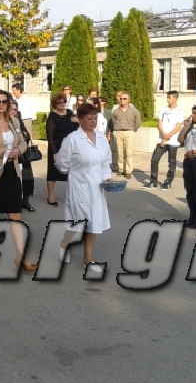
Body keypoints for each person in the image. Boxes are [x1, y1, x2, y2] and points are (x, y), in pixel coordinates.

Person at [0, 90, 36, 273]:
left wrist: (18, 150)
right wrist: (3, 151)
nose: (1, 104)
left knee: (16, 215)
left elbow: (23, 142)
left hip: (12, 172)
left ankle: (22, 257)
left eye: (5, 101)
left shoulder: (14, 122)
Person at [55, 104, 113, 273]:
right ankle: (64, 244)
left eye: (95, 118)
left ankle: (87, 260)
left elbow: (106, 161)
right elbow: (62, 164)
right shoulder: (72, 139)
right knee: (78, 223)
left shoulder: (101, 138)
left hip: (97, 188)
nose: (93, 122)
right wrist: (75, 173)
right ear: (80, 119)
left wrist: (106, 176)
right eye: (89, 119)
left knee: (93, 223)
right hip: (79, 187)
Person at [143, 91, 184, 190]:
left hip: (173, 141)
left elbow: (178, 127)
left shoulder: (179, 111)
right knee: (154, 159)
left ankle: (168, 181)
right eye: (167, 97)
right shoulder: (163, 109)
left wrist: (168, 136)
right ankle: (153, 180)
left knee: (171, 162)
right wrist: (163, 135)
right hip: (161, 139)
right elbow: (159, 124)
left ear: (175, 98)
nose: (167, 99)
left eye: (169, 97)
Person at [45, 92, 78, 206]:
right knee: (52, 172)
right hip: (56, 145)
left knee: (72, 171)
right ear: (54, 104)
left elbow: (76, 128)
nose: (62, 104)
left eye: (64, 101)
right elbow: (50, 136)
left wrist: (77, 121)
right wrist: (54, 152)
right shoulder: (52, 116)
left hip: (69, 146)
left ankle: (73, 195)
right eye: (59, 102)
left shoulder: (69, 113)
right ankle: (50, 196)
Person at [10, 100, 36, 212]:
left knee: (27, 180)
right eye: (11, 109)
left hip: (23, 156)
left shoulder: (19, 121)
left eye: (15, 110)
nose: (13, 112)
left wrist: (25, 135)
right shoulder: (5, 122)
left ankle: (26, 201)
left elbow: (27, 136)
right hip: (11, 156)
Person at [111, 91, 141, 179]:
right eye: (121, 98)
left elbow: (138, 122)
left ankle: (128, 170)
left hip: (129, 132)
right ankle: (121, 169)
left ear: (128, 100)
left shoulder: (134, 111)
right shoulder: (116, 111)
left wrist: (133, 129)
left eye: (124, 98)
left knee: (129, 152)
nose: (122, 100)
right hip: (118, 132)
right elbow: (113, 121)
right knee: (120, 152)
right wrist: (116, 128)